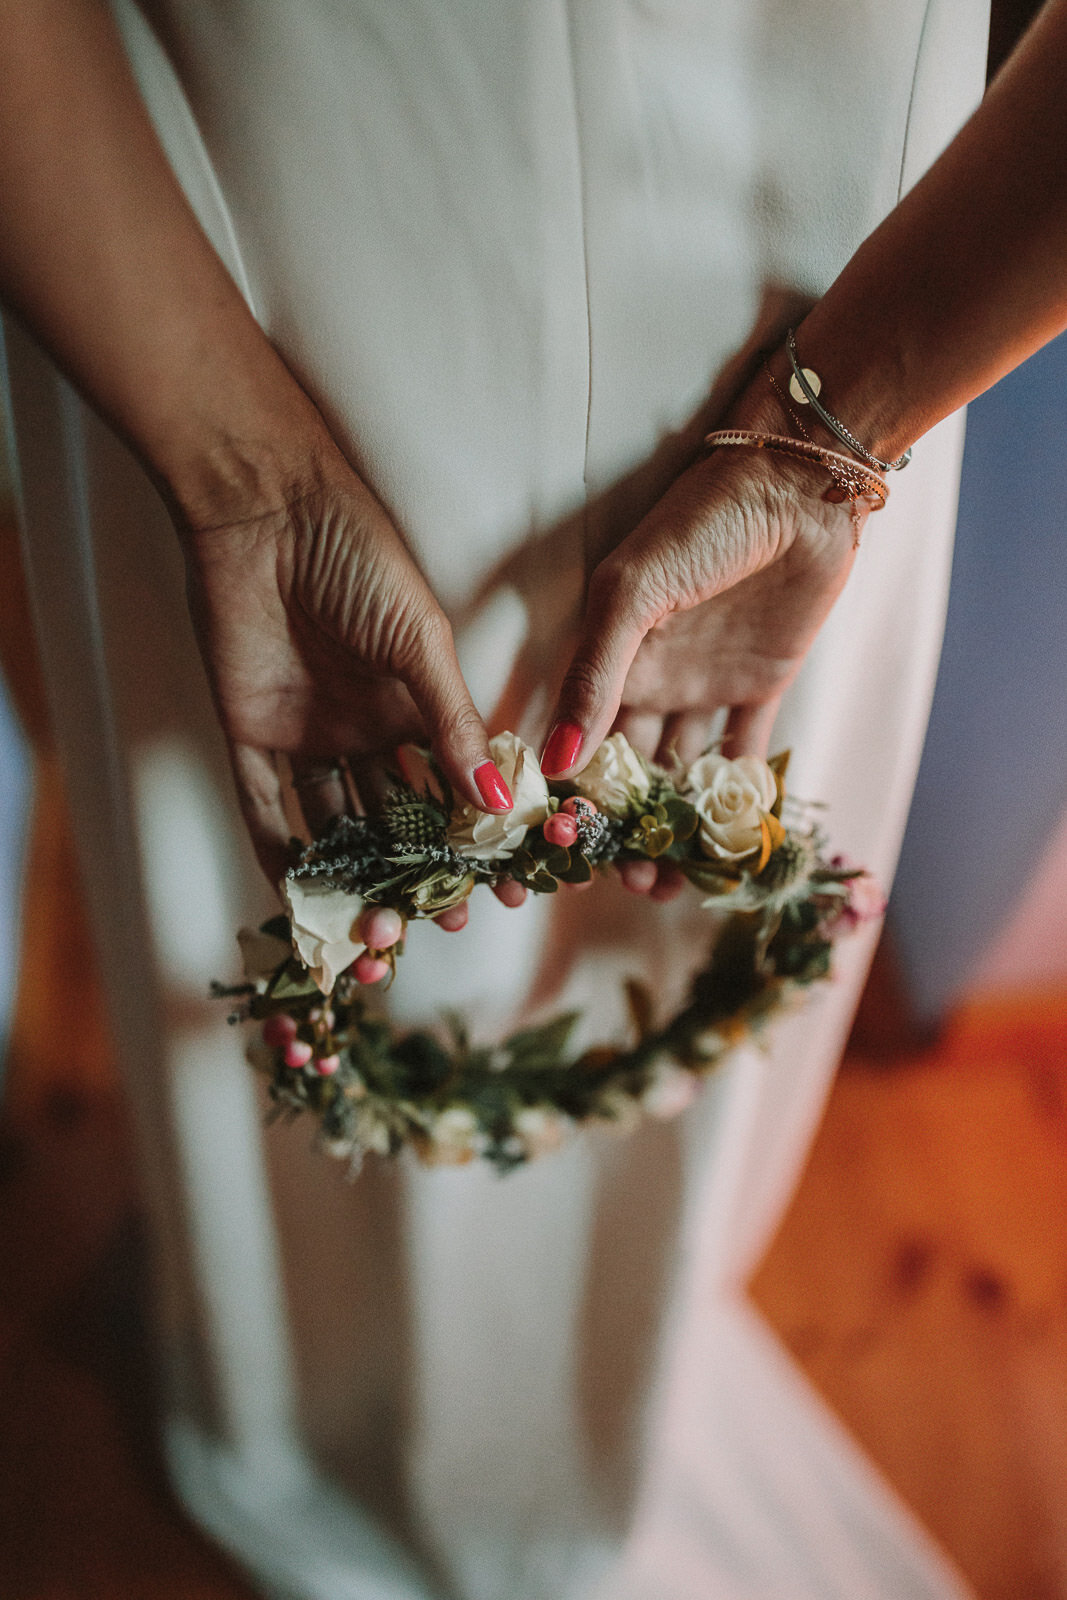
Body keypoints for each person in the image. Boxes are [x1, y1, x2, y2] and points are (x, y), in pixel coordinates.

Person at [1, 1, 1064, 1595]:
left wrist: (825, 439)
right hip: (221, 276)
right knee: (268, 896)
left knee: (697, 954)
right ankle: (287, 1382)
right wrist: (233, 470)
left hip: (845, 304)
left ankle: (590, 1381)